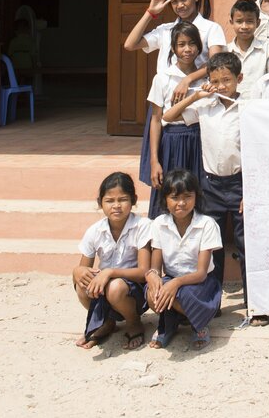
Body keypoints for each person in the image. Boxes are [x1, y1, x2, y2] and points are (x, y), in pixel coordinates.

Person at [163, 51, 245, 292]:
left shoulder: (248, 107)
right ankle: (212, 302)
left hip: (240, 184)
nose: (221, 86)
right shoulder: (205, 106)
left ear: (239, 78)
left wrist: (249, 188)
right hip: (211, 185)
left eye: (227, 80)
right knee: (213, 246)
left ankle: (253, 304)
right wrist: (195, 95)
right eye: (216, 81)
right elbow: (168, 117)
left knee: (244, 244)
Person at [73, 172, 151, 351]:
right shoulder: (95, 231)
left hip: (133, 290)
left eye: (122, 199)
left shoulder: (143, 226)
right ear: (100, 202)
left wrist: (110, 272)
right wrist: (77, 272)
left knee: (115, 287)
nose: (116, 206)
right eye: (109, 201)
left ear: (133, 200)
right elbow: (84, 268)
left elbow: (143, 272)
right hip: (104, 285)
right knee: (81, 285)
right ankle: (106, 323)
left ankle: (134, 322)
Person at [146, 169, 223, 351]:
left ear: (196, 197)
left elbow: (201, 273)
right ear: (165, 199)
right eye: (174, 197)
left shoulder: (207, 224)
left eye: (187, 196)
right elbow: (155, 266)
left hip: (200, 284)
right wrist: (153, 276)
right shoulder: (158, 223)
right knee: (153, 293)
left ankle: (199, 324)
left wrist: (176, 283)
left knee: (183, 294)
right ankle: (170, 325)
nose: (181, 203)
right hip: (171, 278)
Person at [141, 22, 205, 218]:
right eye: (181, 44)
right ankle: (162, 244)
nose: (187, 49)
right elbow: (156, 119)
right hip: (171, 140)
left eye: (192, 43)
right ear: (174, 48)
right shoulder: (162, 78)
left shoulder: (206, 78)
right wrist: (154, 160)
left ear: (199, 46)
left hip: (199, 140)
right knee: (169, 190)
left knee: (196, 190)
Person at [124, 0, 226, 77]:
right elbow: (130, 44)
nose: (180, 5)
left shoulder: (212, 28)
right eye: (174, 2)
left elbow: (215, 63)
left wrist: (187, 80)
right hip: (166, 91)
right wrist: (150, 13)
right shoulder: (165, 30)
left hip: (197, 89)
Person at [225, 0, 268, 95]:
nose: (244, 26)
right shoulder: (225, 51)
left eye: (249, 21)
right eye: (239, 21)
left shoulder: (267, 49)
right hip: (233, 106)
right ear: (231, 22)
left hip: (259, 105)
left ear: (258, 23)